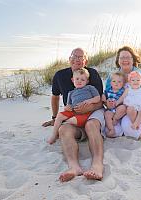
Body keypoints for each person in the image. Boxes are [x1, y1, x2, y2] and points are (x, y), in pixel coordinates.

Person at [42, 48, 105, 182]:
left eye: (81, 57)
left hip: (93, 114)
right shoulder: (60, 75)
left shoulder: (92, 74)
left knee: (91, 125)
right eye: (75, 56)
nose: (77, 59)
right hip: (73, 115)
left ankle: (97, 165)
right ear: (69, 59)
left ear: (85, 61)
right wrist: (54, 118)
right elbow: (55, 97)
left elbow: (100, 101)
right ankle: (74, 167)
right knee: (63, 129)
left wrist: (88, 107)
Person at [48, 68, 101, 144]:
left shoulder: (90, 88)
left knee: (72, 120)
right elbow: (68, 105)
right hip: (74, 111)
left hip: (86, 113)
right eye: (77, 79)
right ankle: (54, 135)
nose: (79, 81)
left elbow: (97, 98)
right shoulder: (71, 93)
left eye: (82, 80)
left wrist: (89, 101)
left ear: (87, 81)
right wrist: (67, 108)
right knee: (59, 115)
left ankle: (63, 125)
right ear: (73, 80)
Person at [102, 72, 127, 137]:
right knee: (107, 114)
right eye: (114, 81)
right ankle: (111, 129)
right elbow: (104, 95)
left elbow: (125, 99)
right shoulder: (108, 90)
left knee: (123, 108)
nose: (116, 83)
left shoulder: (123, 91)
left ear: (123, 84)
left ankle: (115, 119)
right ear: (110, 83)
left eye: (119, 82)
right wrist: (104, 97)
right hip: (110, 109)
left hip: (118, 109)